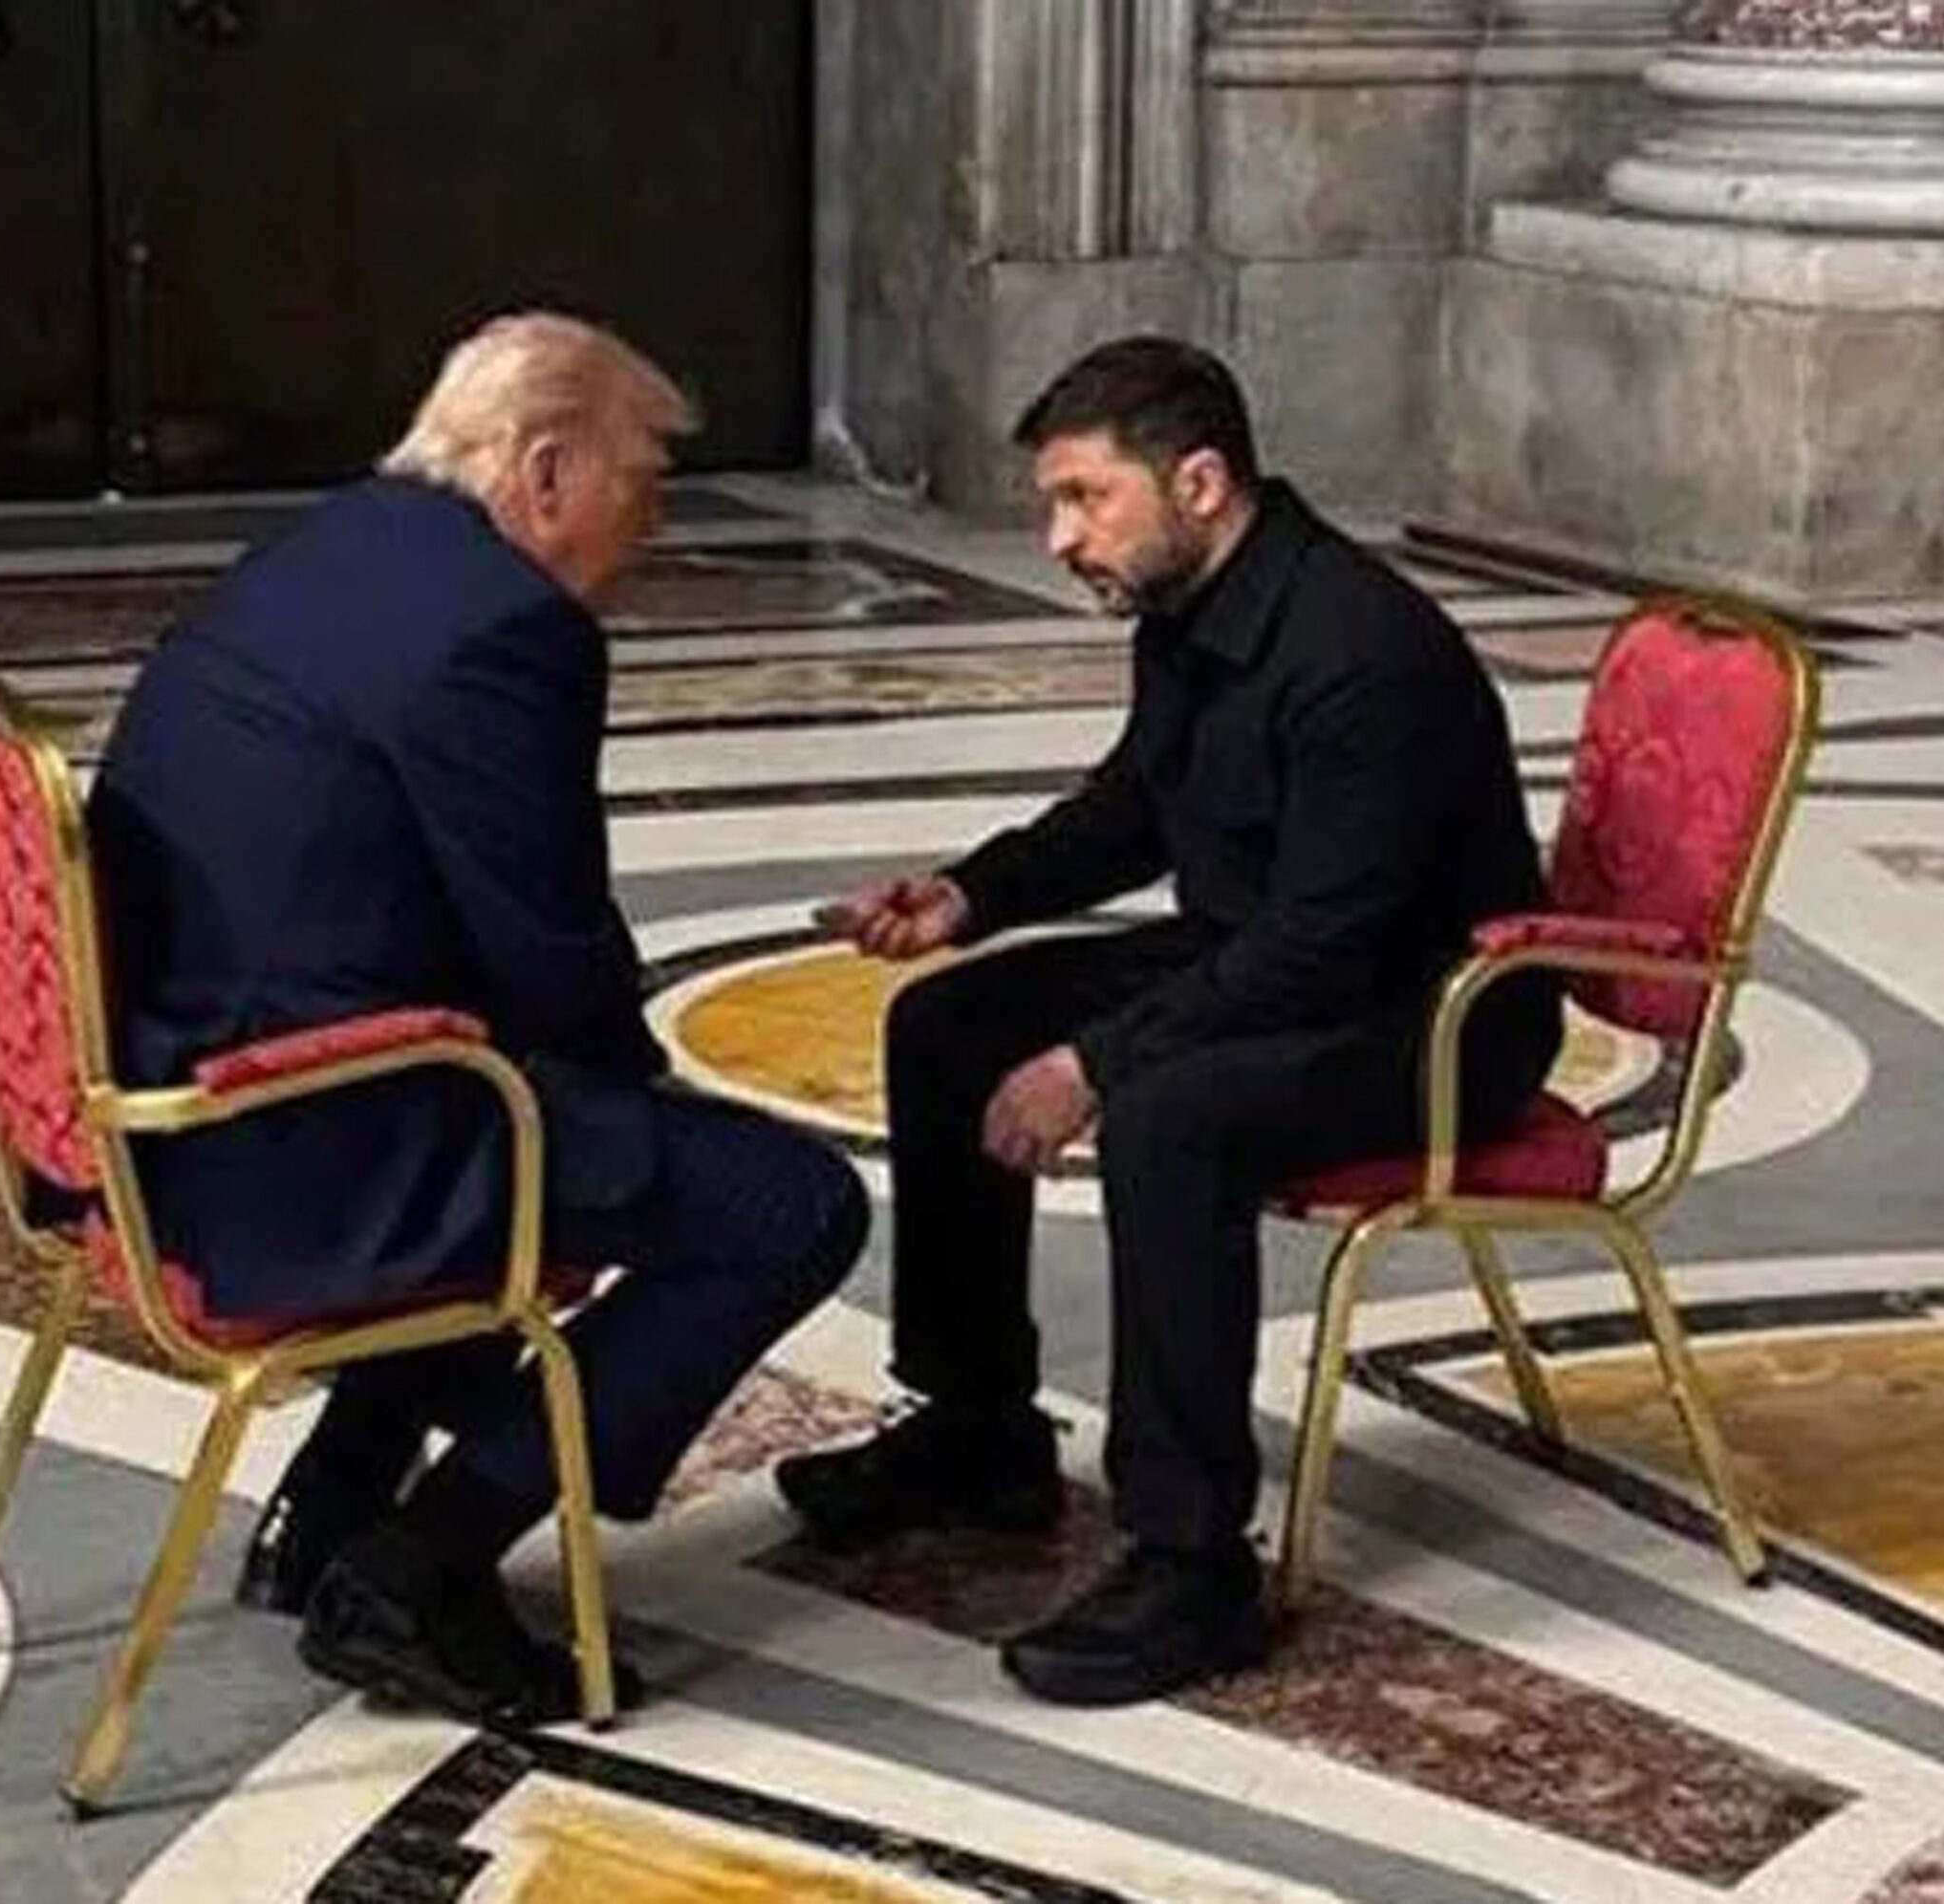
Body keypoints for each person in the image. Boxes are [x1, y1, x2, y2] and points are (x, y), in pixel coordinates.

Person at [87, 312, 870, 1723]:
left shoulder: (329, 552)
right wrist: (640, 1114)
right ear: (547, 468)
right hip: (305, 1144)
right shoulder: (502, 625)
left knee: (543, 1114)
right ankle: (421, 1564)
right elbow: (548, 939)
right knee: (786, 1206)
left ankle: (331, 1505)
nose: (656, 522)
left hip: (170, 1110)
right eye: (646, 480)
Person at [776, 336, 1559, 1706]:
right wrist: (971, 895)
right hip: (1274, 959)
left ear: (1198, 482)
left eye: (1086, 499)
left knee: (1170, 1118)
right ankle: (978, 1427)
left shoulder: (1362, 655)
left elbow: (1328, 946)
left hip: (1429, 1017)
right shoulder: (1193, 605)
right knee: (948, 1027)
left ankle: (1193, 1560)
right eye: (1055, 504)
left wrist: (1094, 1061)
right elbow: (1139, 805)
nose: (1060, 537)